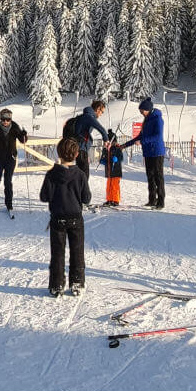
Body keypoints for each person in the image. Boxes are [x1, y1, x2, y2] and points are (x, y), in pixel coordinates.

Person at [40, 137, 91, 297]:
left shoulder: (51, 174)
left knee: (57, 253)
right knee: (77, 251)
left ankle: (57, 285)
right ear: (76, 154)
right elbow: (86, 198)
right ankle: (77, 283)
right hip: (75, 218)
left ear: (59, 153)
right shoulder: (80, 175)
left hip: (57, 218)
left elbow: (44, 196)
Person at [119, 97, 166, 209]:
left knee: (158, 177)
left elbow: (157, 136)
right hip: (148, 152)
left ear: (148, 109)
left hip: (157, 152)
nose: (141, 113)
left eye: (142, 111)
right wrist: (125, 145)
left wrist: (143, 141)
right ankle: (151, 200)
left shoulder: (157, 119)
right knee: (150, 176)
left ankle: (160, 202)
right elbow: (140, 136)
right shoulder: (146, 120)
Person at [0, 108, 27, 211]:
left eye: (7, 120)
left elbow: (22, 140)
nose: (5, 122)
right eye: (3, 119)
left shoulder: (15, 127)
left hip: (11, 158)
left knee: (8, 181)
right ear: (0, 119)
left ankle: (9, 204)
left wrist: (24, 134)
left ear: (10, 119)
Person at [74, 99, 109, 180]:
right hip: (81, 148)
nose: (101, 114)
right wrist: (106, 139)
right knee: (84, 175)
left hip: (80, 148)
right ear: (98, 109)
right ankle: (80, 191)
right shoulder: (88, 116)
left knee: (81, 174)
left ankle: (77, 191)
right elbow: (101, 128)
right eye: (102, 112)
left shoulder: (86, 116)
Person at [101, 129, 124, 207]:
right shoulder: (106, 149)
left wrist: (117, 159)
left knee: (115, 186)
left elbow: (121, 158)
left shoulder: (118, 148)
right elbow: (103, 157)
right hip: (109, 171)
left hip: (116, 171)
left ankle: (116, 200)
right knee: (109, 186)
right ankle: (109, 199)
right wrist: (102, 160)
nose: (108, 143)